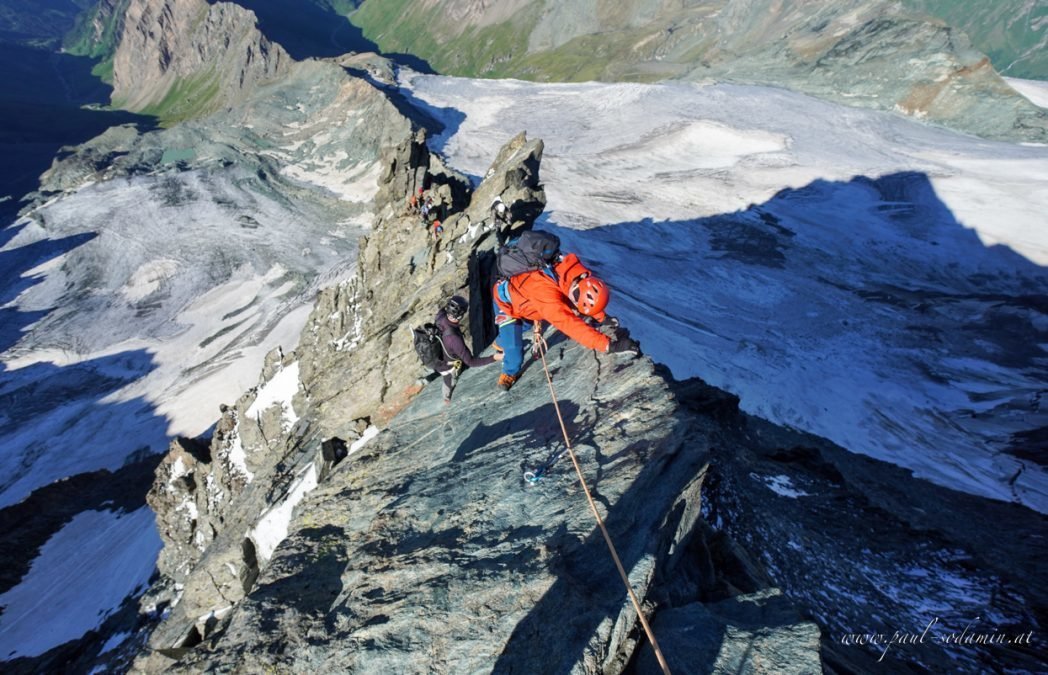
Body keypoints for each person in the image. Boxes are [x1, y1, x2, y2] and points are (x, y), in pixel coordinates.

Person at [491, 242, 639, 392]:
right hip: (507, 305)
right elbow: (570, 324)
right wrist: (609, 345)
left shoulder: (573, 271)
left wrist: (601, 317)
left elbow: (583, 296)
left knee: (527, 324)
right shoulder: (545, 292)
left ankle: (508, 335)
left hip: (529, 301)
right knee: (514, 350)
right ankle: (509, 371)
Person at [433, 296, 503, 403]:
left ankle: (446, 397)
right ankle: (446, 400)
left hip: (444, 355)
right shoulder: (453, 339)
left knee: (447, 380)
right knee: (449, 382)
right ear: (461, 315)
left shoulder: (441, 315)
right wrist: (494, 357)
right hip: (449, 368)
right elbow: (471, 362)